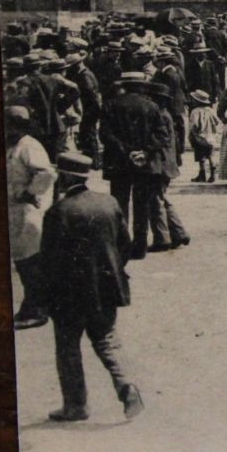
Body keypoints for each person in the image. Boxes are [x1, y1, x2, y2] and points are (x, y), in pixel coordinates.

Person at [40, 151, 145, 423]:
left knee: (68, 347)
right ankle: (127, 387)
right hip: (107, 288)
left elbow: (49, 260)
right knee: (106, 341)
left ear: (63, 177)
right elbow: (125, 245)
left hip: (69, 294)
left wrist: (42, 297)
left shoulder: (58, 212)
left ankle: (76, 406)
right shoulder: (108, 203)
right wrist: (110, 273)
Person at [100, 71, 172, 258]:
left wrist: (126, 151)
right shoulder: (151, 106)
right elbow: (162, 136)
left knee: (119, 204)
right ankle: (140, 246)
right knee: (142, 206)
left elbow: (105, 135)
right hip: (145, 163)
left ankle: (121, 245)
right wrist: (145, 152)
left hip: (119, 162)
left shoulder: (111, 105)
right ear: (142, 86)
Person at [6, 105, 56, 330]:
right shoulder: (13, 145)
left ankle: (37, 309)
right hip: (16, 211)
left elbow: (45, 173)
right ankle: (33, 305)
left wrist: (29, 192)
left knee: (29, 261)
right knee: (23, 260)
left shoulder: (29, 146)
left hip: (29, 211)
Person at [186, 89, 220, 183]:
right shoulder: (211, 110)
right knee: (210, 155)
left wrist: (192, 134)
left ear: (196, 101)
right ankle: (213, 174)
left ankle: (202, 174)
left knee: (201, 156)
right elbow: (217, 121)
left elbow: (194, 125)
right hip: (211, 136)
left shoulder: (195, 111)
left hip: (200, 136)